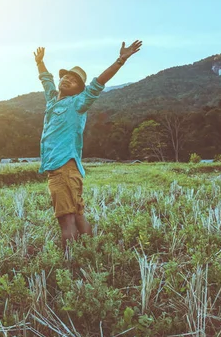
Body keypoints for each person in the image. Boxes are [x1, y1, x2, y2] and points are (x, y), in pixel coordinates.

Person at [34, 40, 142, 254]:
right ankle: (90, 255)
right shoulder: (53, 101)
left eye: (73, 80)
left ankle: (71, 264)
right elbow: (46, 81)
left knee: (66, 221)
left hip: (63, 168)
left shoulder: (78, 103)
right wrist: (40, 63)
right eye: (66, 76)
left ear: (78, 90)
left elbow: (98, 84)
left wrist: (121, 60)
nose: (67, 79)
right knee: (77, 215)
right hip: (64, 168)